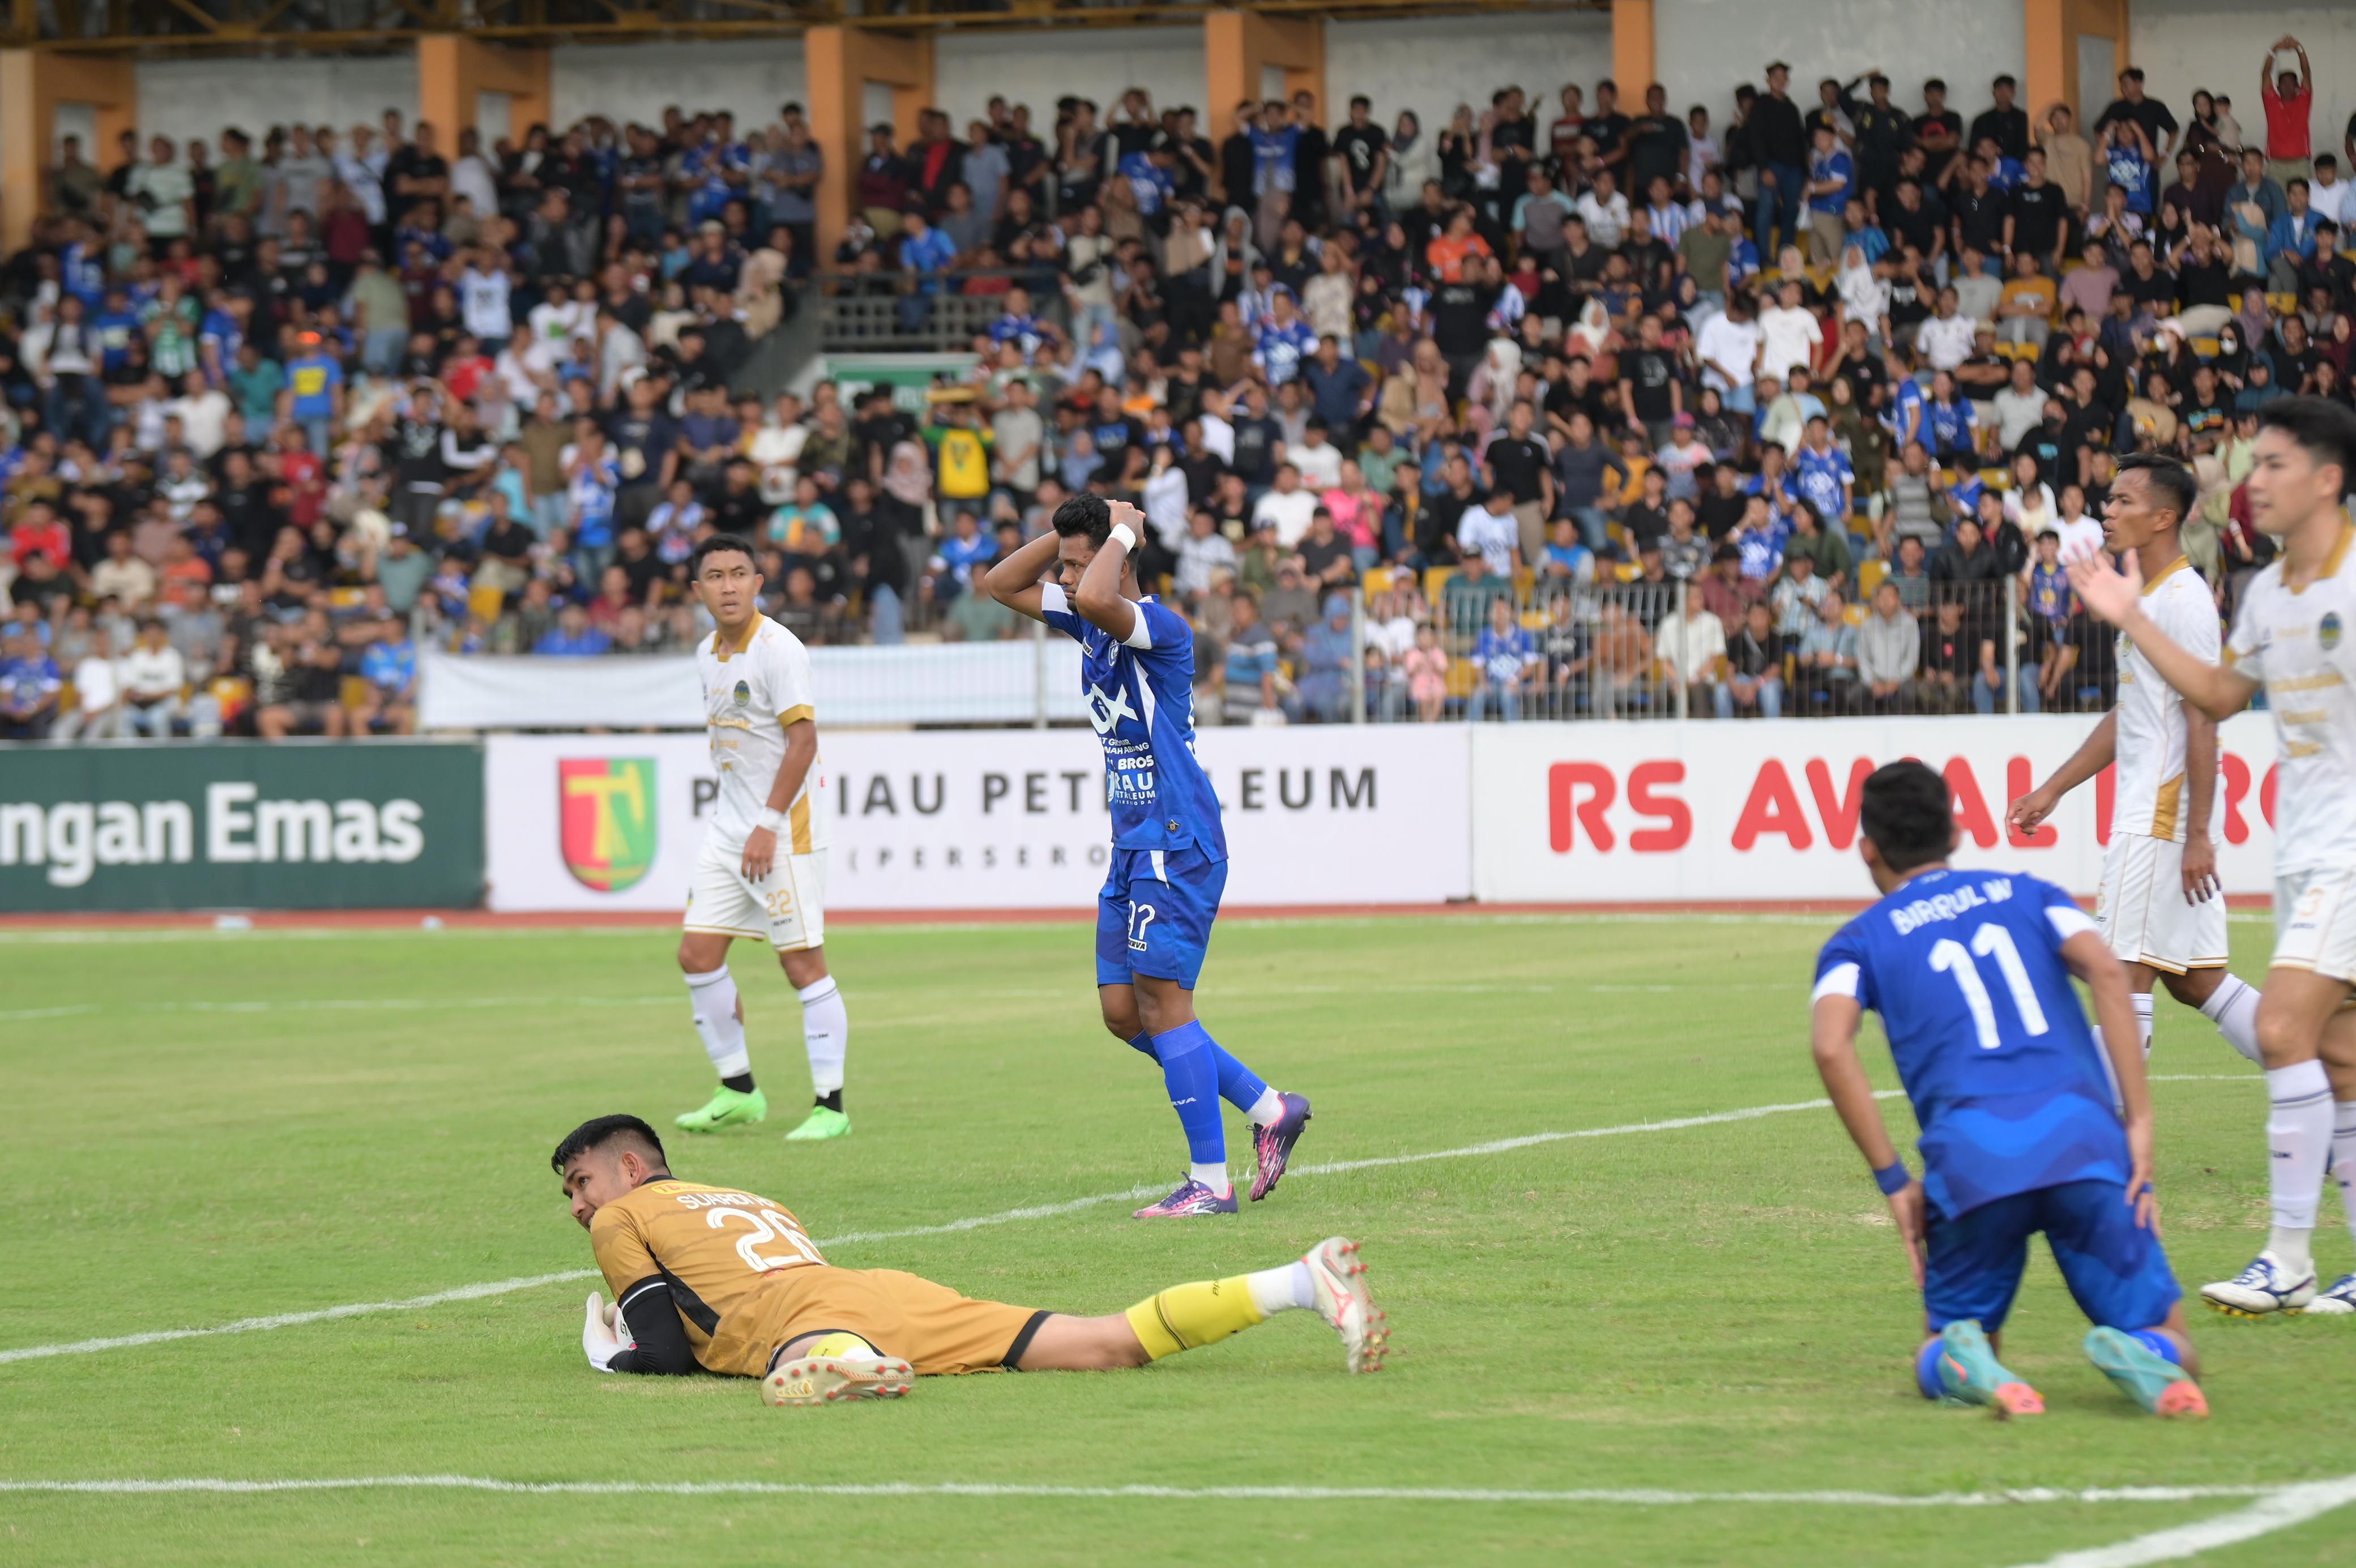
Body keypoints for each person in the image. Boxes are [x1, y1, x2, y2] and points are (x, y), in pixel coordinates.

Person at [2067, 399, 2356, 1316]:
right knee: (2325, 1049)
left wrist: (2196, 828)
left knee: (2269, 1026)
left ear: (2327, 480)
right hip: (2307, 850)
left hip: (2325, 846)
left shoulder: (2324, 587)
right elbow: (2219, 695)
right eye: (2251, 463)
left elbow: (2199, 717)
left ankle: (2283, 1253)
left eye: (2271, 464)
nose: (2252, 480)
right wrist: (2125, 613)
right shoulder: (2265, 595)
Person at [1809, 760, 2206, 1419]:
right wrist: (2135, 1124)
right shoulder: (2031, 894)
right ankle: (2144, 1353)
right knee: (2172, 1337)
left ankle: (1968, 1361)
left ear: (1866, 850)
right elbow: (2109, 974)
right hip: (2082, 1139)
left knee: (1952, 1347)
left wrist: (1892, 1182)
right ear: (1957, 833)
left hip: (1971, 1159)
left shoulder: (1857, 943)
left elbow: (1829, 1045)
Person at [556, 1114, 1385, 1405]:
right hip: (881, 1289)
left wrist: (611, 1356)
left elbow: (665, 1355)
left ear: (631, 1167)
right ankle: (1296, 1282)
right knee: (1105, 1344)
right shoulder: (751, 1197)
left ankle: (847, 1364)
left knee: (806, 1352)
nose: (580, 1204)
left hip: (798, 1320)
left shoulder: (623, 1215)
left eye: (582, 1180)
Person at [984, 495, 1313, 1216]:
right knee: (1123, 1013)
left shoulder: (1156, 627)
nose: (1069, 581)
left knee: (1165, 1006)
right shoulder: (1089, 621)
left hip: (1175, 835)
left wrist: (1121, 528)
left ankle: (1210, 1182)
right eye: (1066, 568)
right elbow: (998, 586)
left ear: (1122, 557)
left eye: (1079, 564)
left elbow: (1099, 592)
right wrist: (1064, 538)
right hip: (1133, 841)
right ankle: (1268, 1109)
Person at [2008, 454, 2267, 1078]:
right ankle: (2324, 1075)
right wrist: (2053, 787)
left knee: (2119, 979)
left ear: (2163, 518)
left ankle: (2106, 1142)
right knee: (2198, 982)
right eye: (2108, 499)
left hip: (2156, 816)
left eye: (2123, 501)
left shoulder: (2182, 600)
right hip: (2157, 814)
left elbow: (2202, 717)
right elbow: (2132, 715)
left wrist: (2197, 833)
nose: (2107, 510)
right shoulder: (2145, 599)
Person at [672, 535, 852, 1145]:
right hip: (730, 828)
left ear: (758, 583)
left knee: (801, 962)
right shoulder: (706, 653)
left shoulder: (779, 650)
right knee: (696, 955)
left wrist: (767, 824)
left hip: (784, 831)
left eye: (739, 573)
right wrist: (744, 822)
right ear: (698, 590)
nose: (727, 585)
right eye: (715, 576)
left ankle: (831, 1105)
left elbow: (802, 742)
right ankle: (738, 1091)